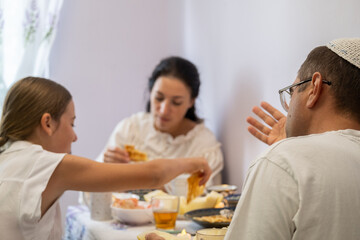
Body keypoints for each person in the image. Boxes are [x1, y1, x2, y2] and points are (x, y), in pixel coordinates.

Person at [148, 38, 360, 240]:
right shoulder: (291, 159)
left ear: (314, 88)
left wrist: (287, 158)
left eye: (293, 90)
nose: (288, 106)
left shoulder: (282, 162)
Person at [0, 77, 211, 240]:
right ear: (47, 123)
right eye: (72, 123)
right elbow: (154, 175)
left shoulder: (8, 156)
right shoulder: (44, 164)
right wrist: (195, 163)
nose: (75, 136)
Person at [96, 56, 223, 195]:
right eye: (159, 98)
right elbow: (90, 192)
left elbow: (199, 202)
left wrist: (129, 177)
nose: (164, 110)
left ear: (191, 102)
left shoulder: (204, 146)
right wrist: (107, 168)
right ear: (150, 93)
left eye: (176, 102)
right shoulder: (130, 129)